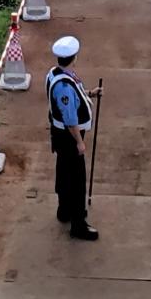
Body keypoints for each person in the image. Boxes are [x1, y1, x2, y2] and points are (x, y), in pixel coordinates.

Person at [45, 35, 98, 241]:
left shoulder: (55, 74)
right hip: (68, 137)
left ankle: (64, 209)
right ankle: (78, 224)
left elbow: (76, 96)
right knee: (77, 180)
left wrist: (90, 93)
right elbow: (70, 118)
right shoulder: (64, 86)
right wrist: (79, 141)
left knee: (64, 172)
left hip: (59, 135)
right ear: (73, 57)